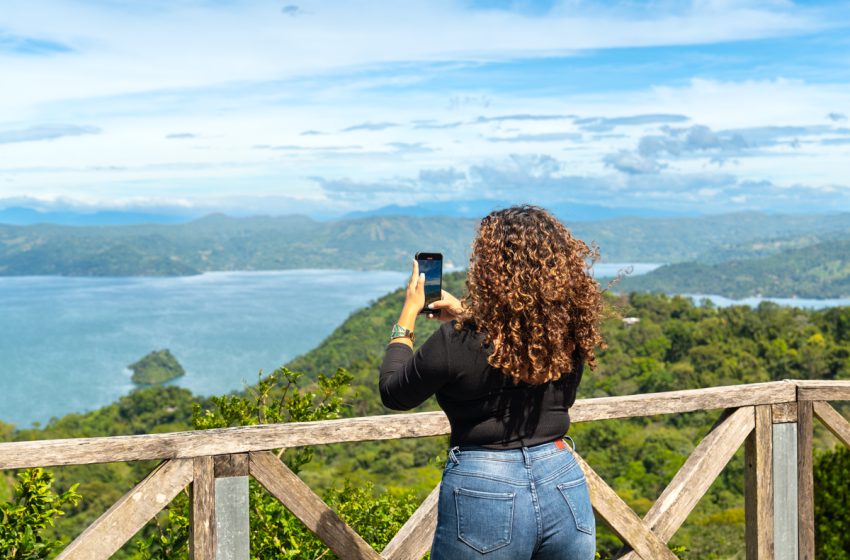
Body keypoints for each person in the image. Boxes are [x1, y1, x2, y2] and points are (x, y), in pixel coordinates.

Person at [379, 205, 604, 559]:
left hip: (484, 485)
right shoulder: (566, 333)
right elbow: (527, 356)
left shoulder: (455, 342)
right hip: (562, 477)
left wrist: (407, 314)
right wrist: (471, 314)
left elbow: (394, 392)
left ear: (490, 268)